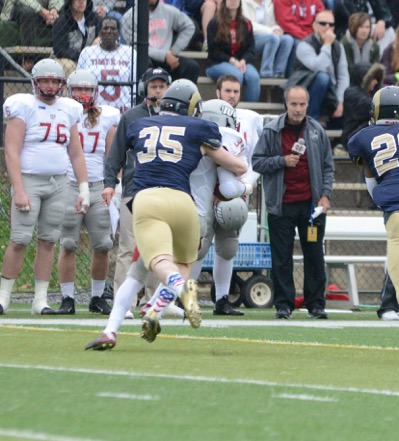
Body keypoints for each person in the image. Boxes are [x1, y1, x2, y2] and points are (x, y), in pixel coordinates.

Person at [85, 79, 248, 350]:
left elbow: (120, 152)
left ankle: (116, 328)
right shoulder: (201, 130)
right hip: (185, 205)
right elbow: (237, 170)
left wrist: (111, 183)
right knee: (180, 265)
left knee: (149, 266)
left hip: (149, 200)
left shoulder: (139, 124)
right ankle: (155, 309)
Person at [0, 58, 89, 316]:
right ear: (35, 82)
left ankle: (40, 300)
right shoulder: (23, 106)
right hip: (29, 179)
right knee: (20, 239)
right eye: (45, 81)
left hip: (59, 182)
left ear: (62, 84)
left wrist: (83, 188)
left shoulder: (69, 108)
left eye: (54, 81)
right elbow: (12, 152)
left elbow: (76, 153)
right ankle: (4, 296)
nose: (50, 86)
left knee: (49, 240)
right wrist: (19, 188)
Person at [252, 85, 334, 319]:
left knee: (315, 256)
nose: (298, 109)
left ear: (308, 105)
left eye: (302, 104)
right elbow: (257, 163)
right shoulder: (271, 131)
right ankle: (283, 305)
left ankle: (316, 304)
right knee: (281, 258)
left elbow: (328, 167)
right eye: (294, 104)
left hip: (311, 207)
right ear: (286, 104)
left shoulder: (317, 131)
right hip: (281, 205)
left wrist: (326, 195)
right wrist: (281, 161)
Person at [103, 67, 172, 312]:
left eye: (162, 86)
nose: (158, 90)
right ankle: (124, 302)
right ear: (145, 89)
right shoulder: (132, 117)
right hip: (135, 188)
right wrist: (109, 183)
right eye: (153, 86)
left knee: (159, 246)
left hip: (164, 189)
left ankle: (152, 301)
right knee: (128, 246)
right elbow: (116, 154)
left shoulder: (174, 117)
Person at [56, 69, 120, 315]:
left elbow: (112, 156)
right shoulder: (62, 113)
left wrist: (112, 184)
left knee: (103, 243)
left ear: (96, 91)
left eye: (87, 89)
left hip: (98, 185)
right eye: (79, 89)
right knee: (69, 243)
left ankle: (96, 296)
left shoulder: (108, 116)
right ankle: (67, 298)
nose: (83, 94)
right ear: (70, 90)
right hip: (70, 184)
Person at [348, 85, 399, 314]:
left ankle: (389, 306)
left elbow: (371, 180)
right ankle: (389, 304)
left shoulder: (364, 137)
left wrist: (382, 199)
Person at [283, 9, 350, 125]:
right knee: (322, 77)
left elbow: (343, 75)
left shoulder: (338, 46)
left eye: (331, 24)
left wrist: (340, 101)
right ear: (314, 26)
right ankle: (312, 121)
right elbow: (319, 66)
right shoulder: (304, 45)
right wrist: (327, 44)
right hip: (305, 91)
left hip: (330, 94)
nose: (327, 27)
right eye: (323, 23)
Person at [121, 0, 200, 84]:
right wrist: (164, 56)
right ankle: (143, 96)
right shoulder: (129, 17)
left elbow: (189, 26)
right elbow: (136, 47)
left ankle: (181, 95)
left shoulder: (169, 10)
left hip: (168, 56)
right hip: (145, 57)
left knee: (191, 67)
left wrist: (175, 50)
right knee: (143, 64)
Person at [77, 16, 136, 112]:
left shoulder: (130, 52)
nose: (109, 31)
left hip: (123, 109)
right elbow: (78, 82)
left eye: (113, 28)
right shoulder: (87, 52)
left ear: (118, 33)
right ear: (99, 32)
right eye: (105, 28)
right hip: (94, 110)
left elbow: (135, 84)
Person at [206, 0, 260, 103]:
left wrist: (244, 60)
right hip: (217, 63)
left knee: (254, 77)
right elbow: (213, 50)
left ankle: (250, 111)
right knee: (237, 75)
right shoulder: (214, 22)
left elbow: (251, 48)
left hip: (240, 62)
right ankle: (232, 106)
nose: (233, 1)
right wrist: (232, 61)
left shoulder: (246, 23)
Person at [241, 0, 294, 78]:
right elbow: (248, 25)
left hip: (269, 36)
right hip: (250, 39)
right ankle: (266, 73)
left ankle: (278, 73)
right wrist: (270, 31)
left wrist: (277, 30)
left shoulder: (269, 3)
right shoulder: (243, 2)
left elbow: (273, 23)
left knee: (288, 40)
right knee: (272, 38)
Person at [274, 0, 325, 77]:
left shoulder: (316, 1)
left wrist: (315, 36)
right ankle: (293, 80)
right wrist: (307, 38)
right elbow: (286, 23)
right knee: (298, 44)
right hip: (292, 34)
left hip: (312, 35)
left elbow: (323, 20)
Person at [52, 0, 100, 77]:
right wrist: (82, 56)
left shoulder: (94, 18)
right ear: (70, 1)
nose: (81, 2)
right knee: (68, 66)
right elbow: (60, 50)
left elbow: (101, 36)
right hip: (70, 60)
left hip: (91, 59)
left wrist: (100, 40)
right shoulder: (62, 21)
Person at [341, 62, 385, 148]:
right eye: (372, 79)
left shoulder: (372, 93)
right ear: (364, 79)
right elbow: (371, 108)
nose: (376, 82)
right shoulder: (351, 93)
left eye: (377, 79)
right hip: (353, 137)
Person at [341, 12, 380, 84]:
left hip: (370, 82)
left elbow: (376, 68)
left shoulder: (374, 46)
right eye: (361, 27)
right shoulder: (345, 44)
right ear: (353, 27)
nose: (364, 30)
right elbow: (348, 69)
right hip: (350, 82)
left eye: (367, 27)